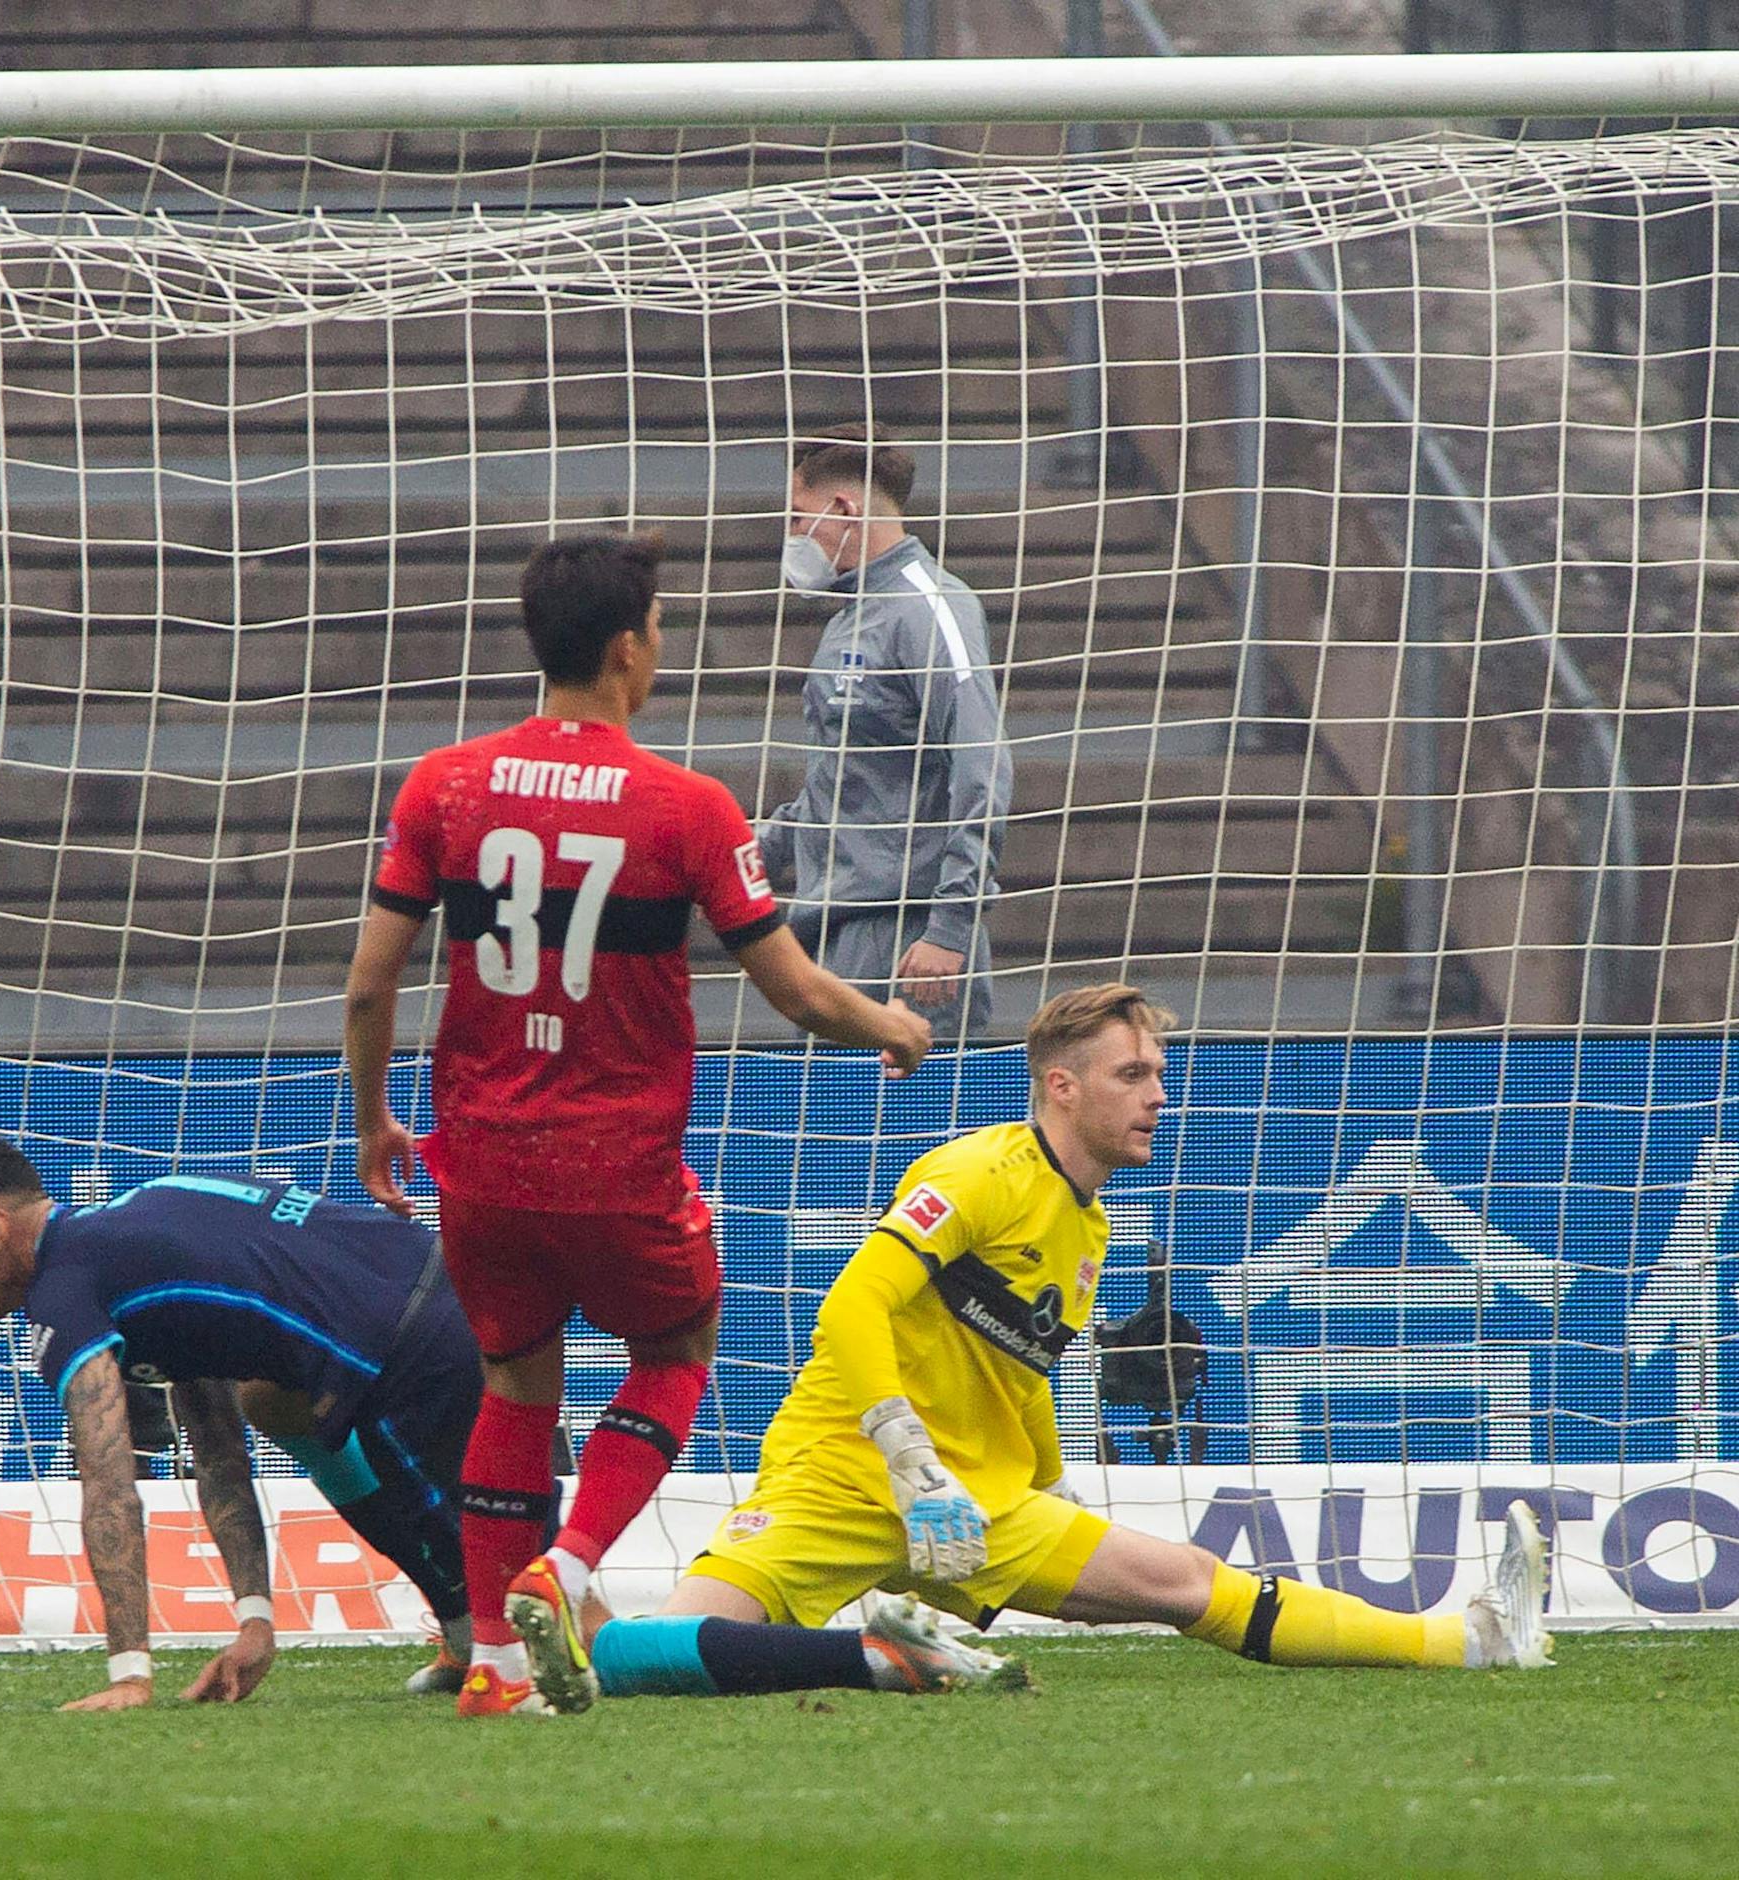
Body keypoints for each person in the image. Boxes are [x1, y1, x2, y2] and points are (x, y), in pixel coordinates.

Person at [345, 530, 931, 1720]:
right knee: (676, 1348)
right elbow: (796, 992)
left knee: (515, 1382)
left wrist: (371, 1122)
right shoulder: (687, 807)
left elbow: (368, 984)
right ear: (626, 646)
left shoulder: (442, 785)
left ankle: (494, 1667)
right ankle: (564, 1569)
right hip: (617, 1162)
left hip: (483, 1159)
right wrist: (894, 1024)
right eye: (657, 628)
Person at [584, 983, 1552, 1702]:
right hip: (842, 1476)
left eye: (1157, 1074)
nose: (1157, 1095)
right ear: (1061, 1084)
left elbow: (1023, 1369)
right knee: (636, 1655)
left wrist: (1047, 1484)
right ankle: (871, 1656)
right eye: (1132, 1074)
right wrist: (906, 1454)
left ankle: (1469, 1638)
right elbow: (849, 1307)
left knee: (1186, 1582)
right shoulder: (977, 1173)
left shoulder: (1087, 1226)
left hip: (978, 1505)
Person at [0, 1133, 514, 1711]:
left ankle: (539, 1643)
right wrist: (256, 1623)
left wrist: (130, 1674)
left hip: (413, 1343)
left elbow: (109, 1484)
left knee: (513, 1564)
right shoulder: (139, 1234)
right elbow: (220, 1453)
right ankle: (466, 1636)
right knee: (270, 1403)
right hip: (443, 1277)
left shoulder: (63, 1293)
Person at [762, 422, 1013, 1039]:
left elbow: (982, 765)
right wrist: (739, 856)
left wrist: (950, 927)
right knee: (825, 1105)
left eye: (798, 517)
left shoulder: (932, 607)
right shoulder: (848, 619)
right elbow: (842, 787)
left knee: (916, 1107)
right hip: (828, 934)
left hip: (907, 940)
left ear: (843, 509)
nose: (792, 534)